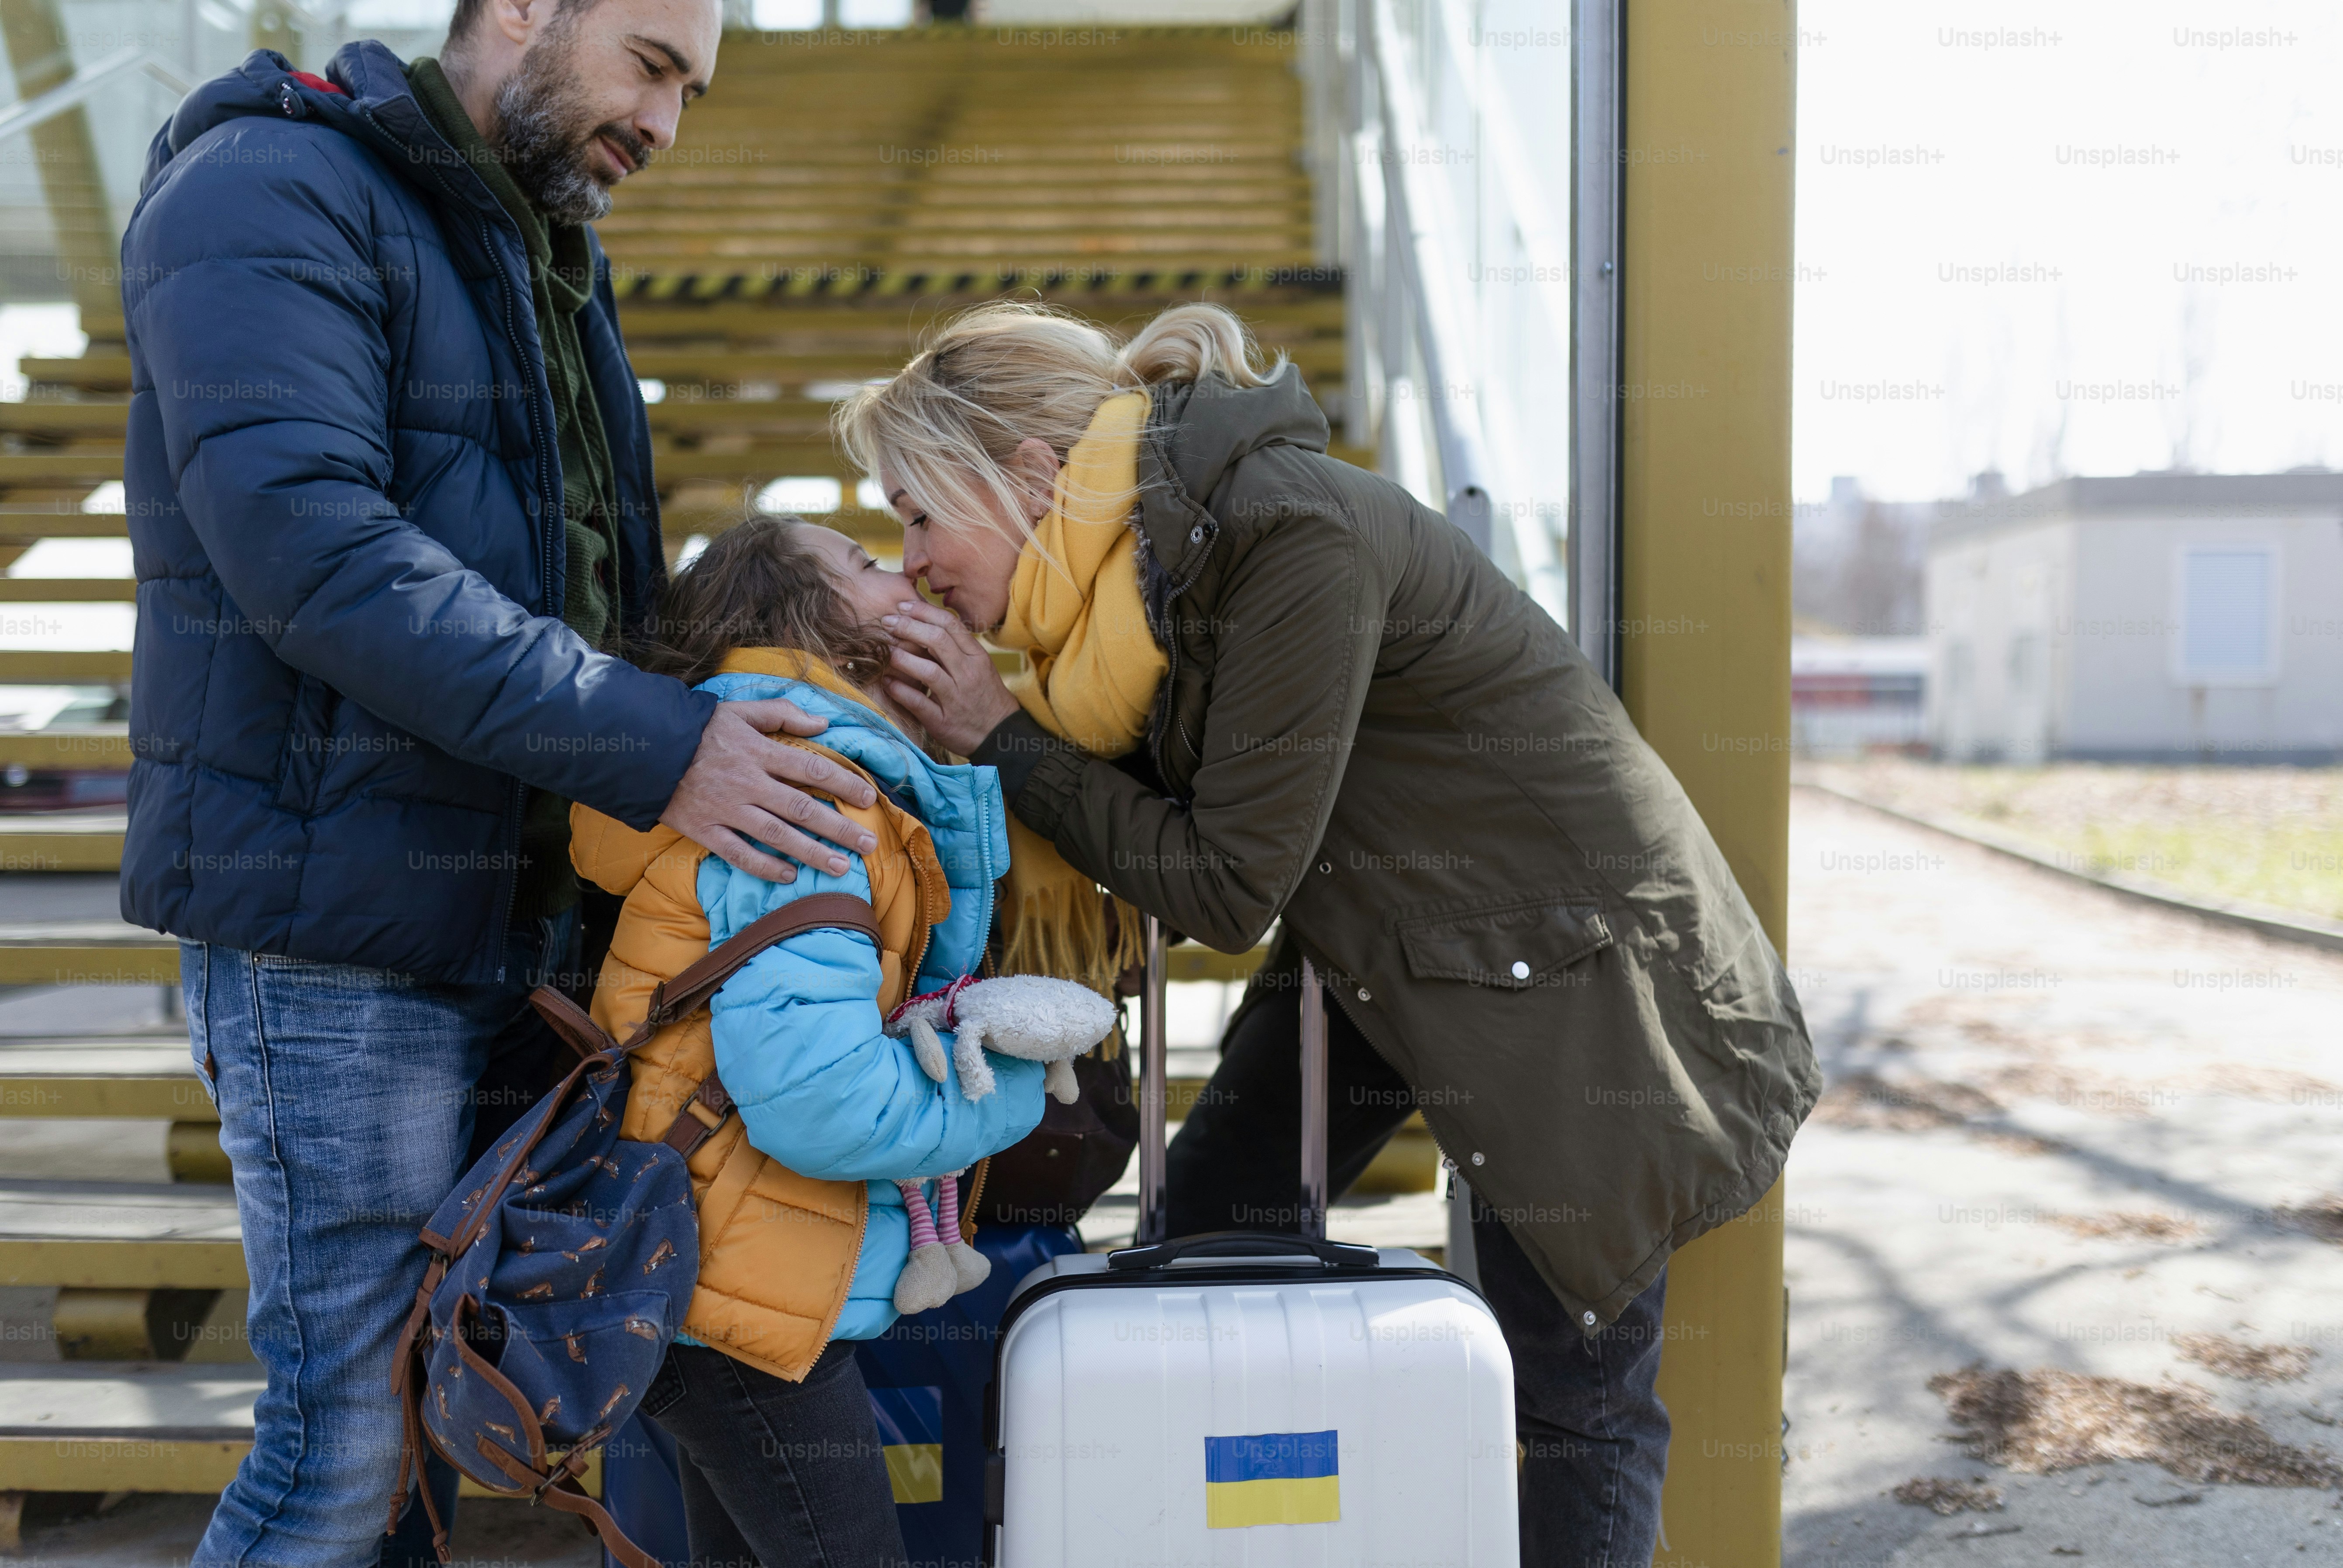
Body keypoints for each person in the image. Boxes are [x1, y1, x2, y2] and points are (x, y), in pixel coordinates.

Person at [836, 300, 1822, 1565]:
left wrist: (1000, 736)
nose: (909, 556)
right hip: (1392, 955)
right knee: (1200, 1244)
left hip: (1573, 980)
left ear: (1028, 473)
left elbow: (1223, 887)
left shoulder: (1281, 532)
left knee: (1576, 1398)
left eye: (918, 511)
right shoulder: (1140, 596)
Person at [117, 5, 885, 1563]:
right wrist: (666, 750)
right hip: (336, 949)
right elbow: (318, 559)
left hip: (508, 942)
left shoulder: (532, 249)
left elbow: (602, 598)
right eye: (650, 67)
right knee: (338, 1452)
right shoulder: (268, 186)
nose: (666, 124)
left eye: (688, 88)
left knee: (418, 1446)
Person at [573, 517, 1052, 1567]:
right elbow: (821, 1097)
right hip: (737, 1283)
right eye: (867, 564)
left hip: (713, 1259)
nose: (907, 573)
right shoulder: (808, 790)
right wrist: (1013, 1090)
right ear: (806, 625)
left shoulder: (782, 768)